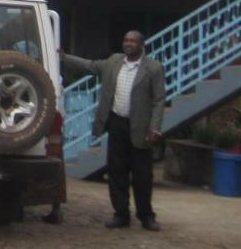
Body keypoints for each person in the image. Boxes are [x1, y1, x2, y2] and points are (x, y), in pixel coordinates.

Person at [60, 31, 166, 231]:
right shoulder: (113, 62)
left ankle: (146, 216)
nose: (128, 44)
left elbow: (159, 100)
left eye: (133, 41)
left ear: (141, 45)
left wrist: (155, 127)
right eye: (126, 40)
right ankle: (121, 214)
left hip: (141, 128)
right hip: (117, 124)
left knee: (143, 176)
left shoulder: (153, 68)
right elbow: (90, 66)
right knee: (117, 172)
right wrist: (65, 58)